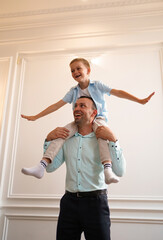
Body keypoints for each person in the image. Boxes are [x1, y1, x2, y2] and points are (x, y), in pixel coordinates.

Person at [21, 58, 154, 184]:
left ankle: (107, 169)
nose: (75, 72)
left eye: (78, 68)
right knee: (62, 133)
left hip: (99, 118)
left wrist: (139, 100)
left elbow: (118, 92)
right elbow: (56, 105)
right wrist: (35, 117)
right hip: (79, 120)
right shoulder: (73, 91)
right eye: (72, 70)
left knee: (102, 135)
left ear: (88, 70)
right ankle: (42, 165)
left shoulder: (97, 85)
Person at [45, 96, 126, 240]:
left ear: (94, 112)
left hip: (96, 204)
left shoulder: (104, 138)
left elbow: (120, 171)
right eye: (75, 106)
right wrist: (48, 140)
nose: (77, 108)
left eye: (82, 106)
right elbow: (50, 168)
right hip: (69, 203)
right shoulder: (66, 138)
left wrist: (114, 139)